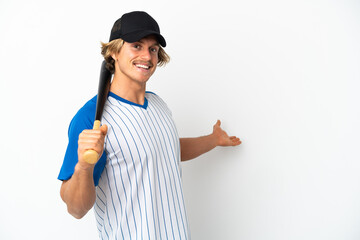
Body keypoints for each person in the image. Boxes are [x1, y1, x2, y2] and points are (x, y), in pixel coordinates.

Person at [58, 11, 241, 239]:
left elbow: (166, 149)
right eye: (136, 45)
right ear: (114, 51)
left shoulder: (158, 104)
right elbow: (75, 209)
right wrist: (84, 167)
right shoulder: (91, 119)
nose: (147, 55)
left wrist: (213, 140)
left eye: (153, 49)